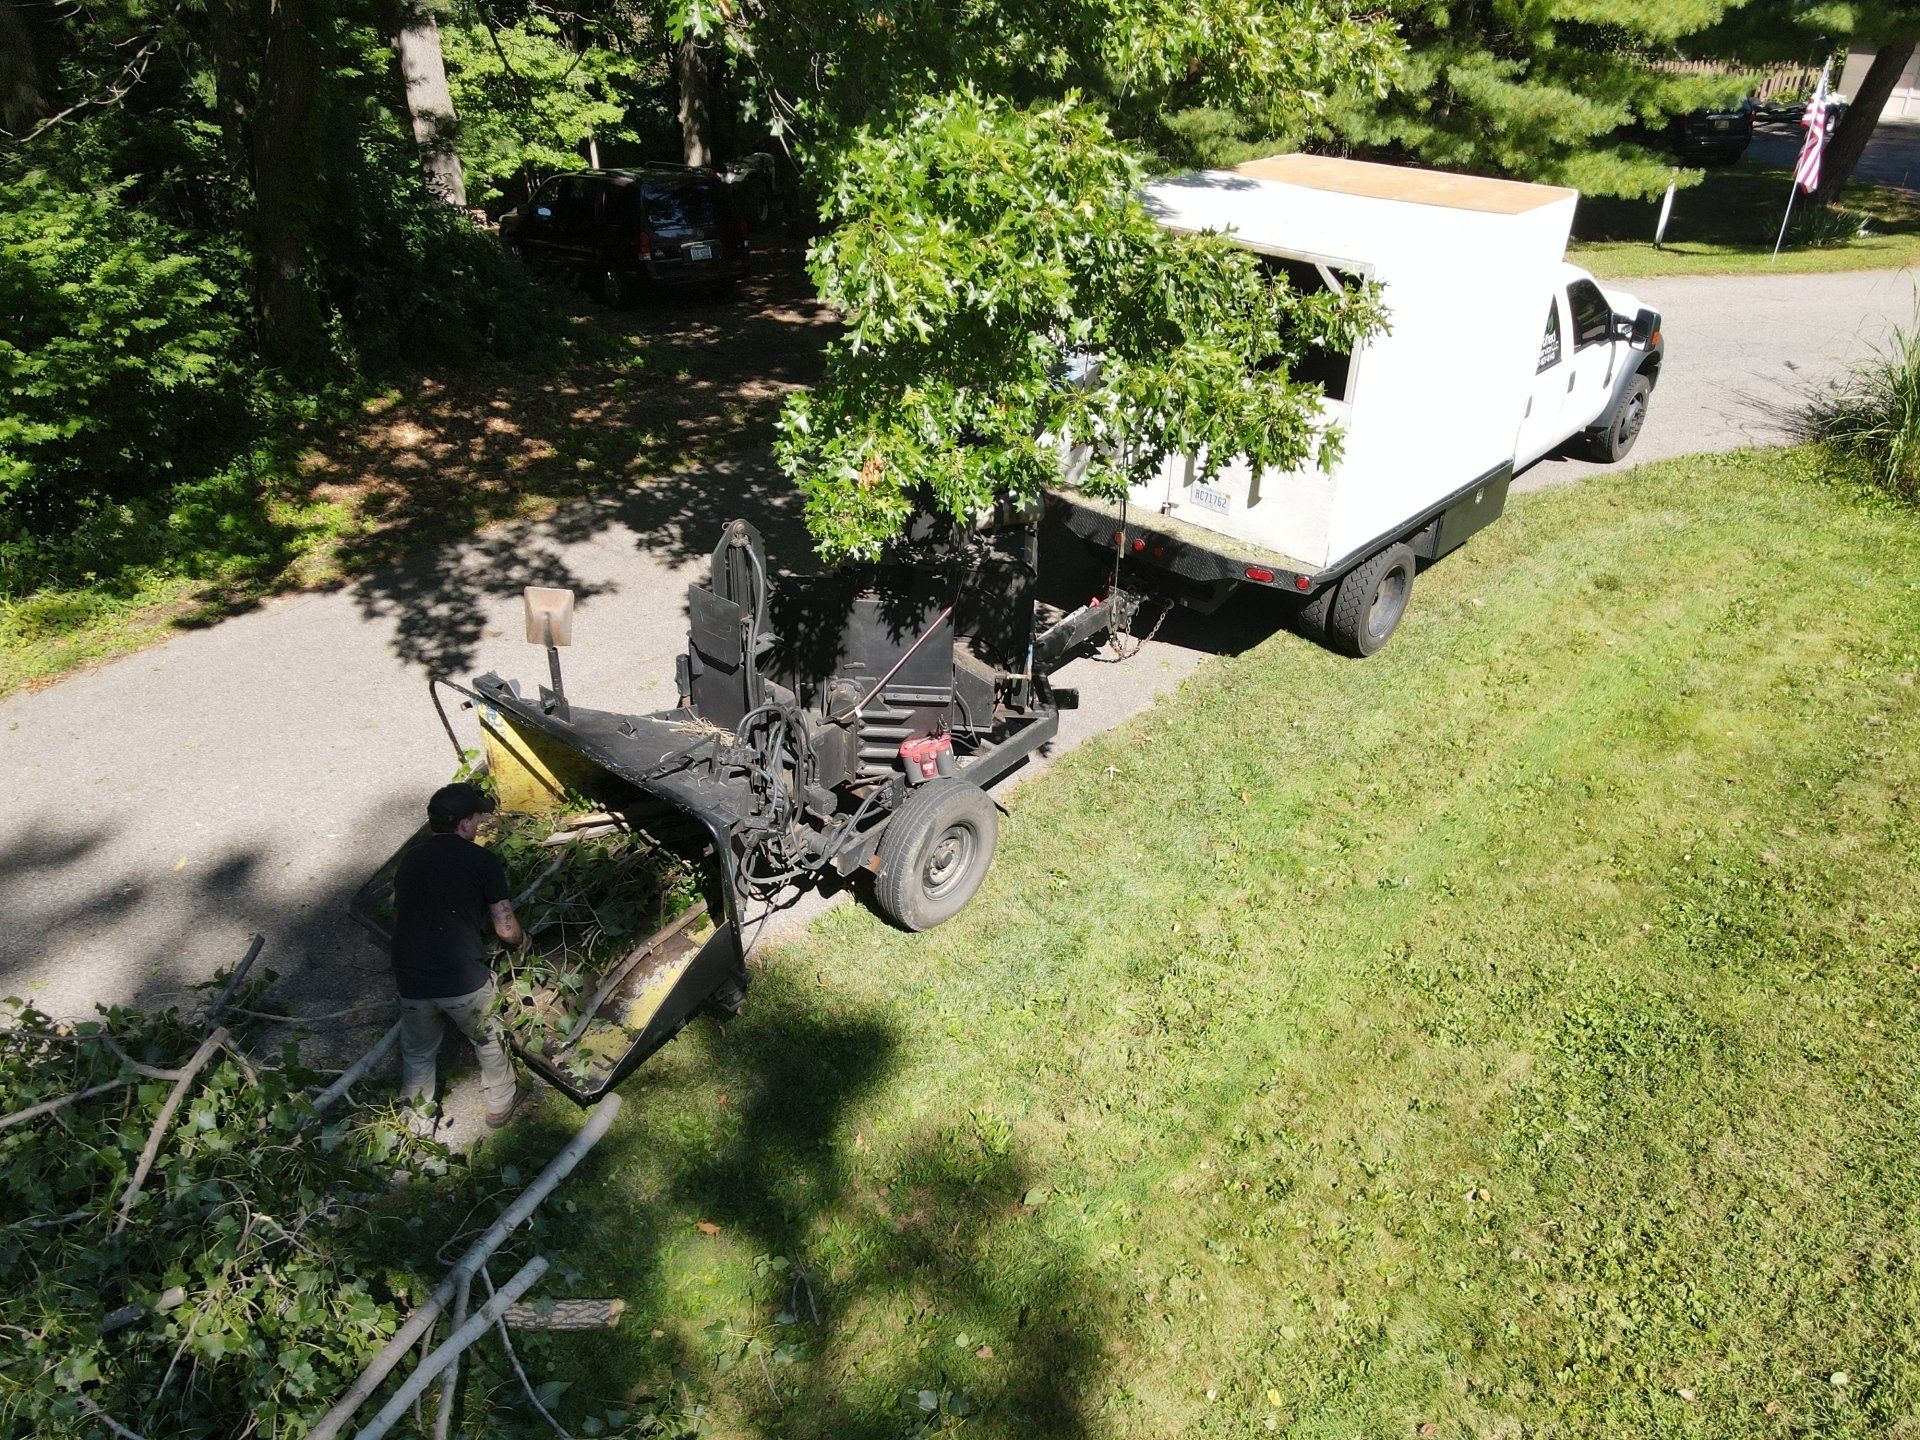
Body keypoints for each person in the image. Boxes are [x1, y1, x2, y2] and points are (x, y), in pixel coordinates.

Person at [390, 782, 525, 1129]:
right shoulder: (482, 860)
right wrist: (521, 942)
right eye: (477, 819)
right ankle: (499, 1103)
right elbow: (505, 928)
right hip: (462, 979)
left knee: (418, 1053)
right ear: (464, 824)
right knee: (487, 1038)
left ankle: (416, 1126)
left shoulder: (410, 859)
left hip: (411, 978)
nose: (478, 825)